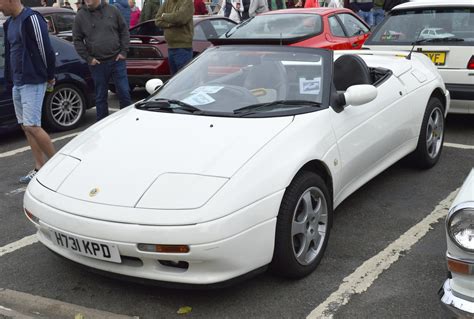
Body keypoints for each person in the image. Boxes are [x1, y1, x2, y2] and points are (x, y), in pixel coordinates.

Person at [0, 0, 56, 183]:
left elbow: (44, 48)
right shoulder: (9, 23)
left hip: (33, 80)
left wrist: (49, 75)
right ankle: (39, 167)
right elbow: (10, 53)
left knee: (32, 125)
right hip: (17, 82)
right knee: (26, 127)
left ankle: (58, 168)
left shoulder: (31, 18)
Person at [73, 0, 131, 121]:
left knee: (124, 93)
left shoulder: (113, 10)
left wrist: (123, 52)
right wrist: (89, 59)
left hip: (117, 61)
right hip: (97, 64)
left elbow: (124, 31)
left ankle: (128, 122)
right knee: (100, 97)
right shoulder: (80, 16)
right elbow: (77, 40)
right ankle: (101, 127)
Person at [155, 0, 194, 75]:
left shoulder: (187, 2)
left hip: (183, 48)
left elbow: (180, 18)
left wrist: (164, 16)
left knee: (183, 77)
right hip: (170, 47)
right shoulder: (167, 2)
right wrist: (170, 24)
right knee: (174, 80)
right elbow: (157, 21)